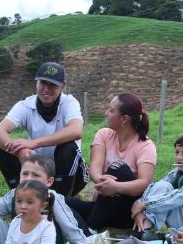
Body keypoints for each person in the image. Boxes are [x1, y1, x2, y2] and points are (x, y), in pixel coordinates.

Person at [0, 61, 86, 196]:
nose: (46, 89)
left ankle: (62, 200)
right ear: (36, 83)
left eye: (52, 85)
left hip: (71, 174)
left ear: (62, 87)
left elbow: (76, 131)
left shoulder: (69, 103)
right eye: (43, 83)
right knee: (2, 149)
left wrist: (34, 142)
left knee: (69, 147)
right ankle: (20, 195)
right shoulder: (25, 106)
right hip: (38, 169)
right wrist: (19, 152)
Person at [66, 93, 157, 232]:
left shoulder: (145, 146)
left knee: (117, 167)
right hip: (103, 205)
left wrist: (116, 187)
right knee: (64, 203)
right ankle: (88, 234)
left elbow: (144, 183)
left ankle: (91, 227)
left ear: (124, 119)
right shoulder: (103, 134)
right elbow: (95, 167)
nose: (106, 113)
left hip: (128, 211)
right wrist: (102, 181)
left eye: (111, 110)